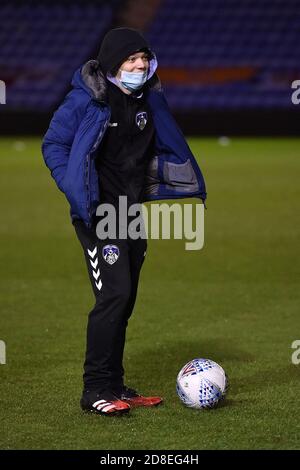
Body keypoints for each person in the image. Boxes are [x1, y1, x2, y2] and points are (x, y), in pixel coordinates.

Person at [41, 27, 206, 416]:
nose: (139, 65)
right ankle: (94, 390)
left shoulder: (150, 99)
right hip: (98, 214)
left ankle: (115, 385)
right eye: (131, 60)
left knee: (125, 298)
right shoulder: (89, 100)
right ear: (115, 64)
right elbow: (54, 143)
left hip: (130, 213)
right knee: (112, 296)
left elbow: (167, 146)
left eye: (144, 59)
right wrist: (76, 188)